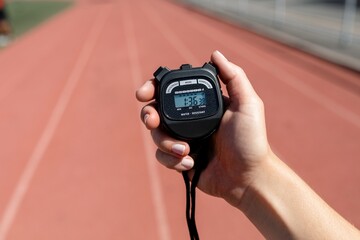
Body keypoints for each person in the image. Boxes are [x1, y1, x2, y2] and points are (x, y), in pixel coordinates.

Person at [136, 51, 360, 239]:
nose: (191, 103)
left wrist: (254, 176)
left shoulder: (173, 86)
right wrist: (253, 180)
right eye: (187, 101)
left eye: (194, 100)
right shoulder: (203, 80)